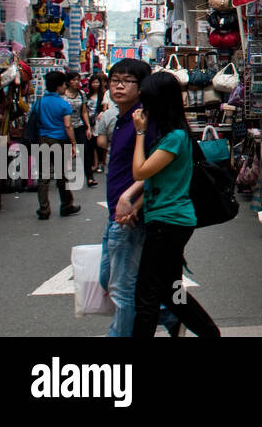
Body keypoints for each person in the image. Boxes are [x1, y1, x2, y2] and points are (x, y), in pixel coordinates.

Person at [130, 71, 220, 337]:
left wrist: (139, 133)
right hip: (171, 220)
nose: (143, 109)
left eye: (147, 102)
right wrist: (136, 206)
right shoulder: (175, 135)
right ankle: (209, 333)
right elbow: (159, 181)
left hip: (168, 223)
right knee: (171, 291)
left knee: (146, 295)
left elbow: (140, 172)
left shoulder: (175, 138)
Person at [97, 59, 179, 337]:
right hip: (116, 215)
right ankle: (173, 316)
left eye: (127, 81)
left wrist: (134, 201)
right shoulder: (122, 119)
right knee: (108, 279)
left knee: (123, 289)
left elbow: (156, 170)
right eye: (114, 79)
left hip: (132, 217)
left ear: (141, 87)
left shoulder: (143, 122)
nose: (119, 85)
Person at [33, 70, 79, 219]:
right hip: (59, 141)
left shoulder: (39, 103)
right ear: (59, 86)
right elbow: (68, 126)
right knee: (61, 176)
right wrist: (73, 143)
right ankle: (66, 205)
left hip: (42, 140)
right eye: (64, 84)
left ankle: (44, 209)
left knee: (43, 177)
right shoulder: (63, 104)